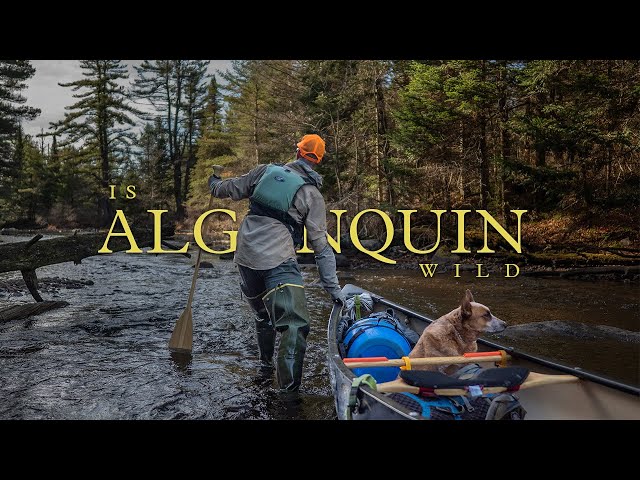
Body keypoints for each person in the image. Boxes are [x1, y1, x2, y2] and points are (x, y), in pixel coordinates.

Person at [208, 134, 345, 393]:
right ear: (318, 161)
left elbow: (226, 189)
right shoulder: (311, 194)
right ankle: (289, 397)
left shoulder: (264, 171)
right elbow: (321, 247)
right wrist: (332, 287)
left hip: (246, 256)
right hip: (278, 259)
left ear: (297, 152)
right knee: (294, 325)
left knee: (263, 317)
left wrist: (213, 182)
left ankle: (264, 367)